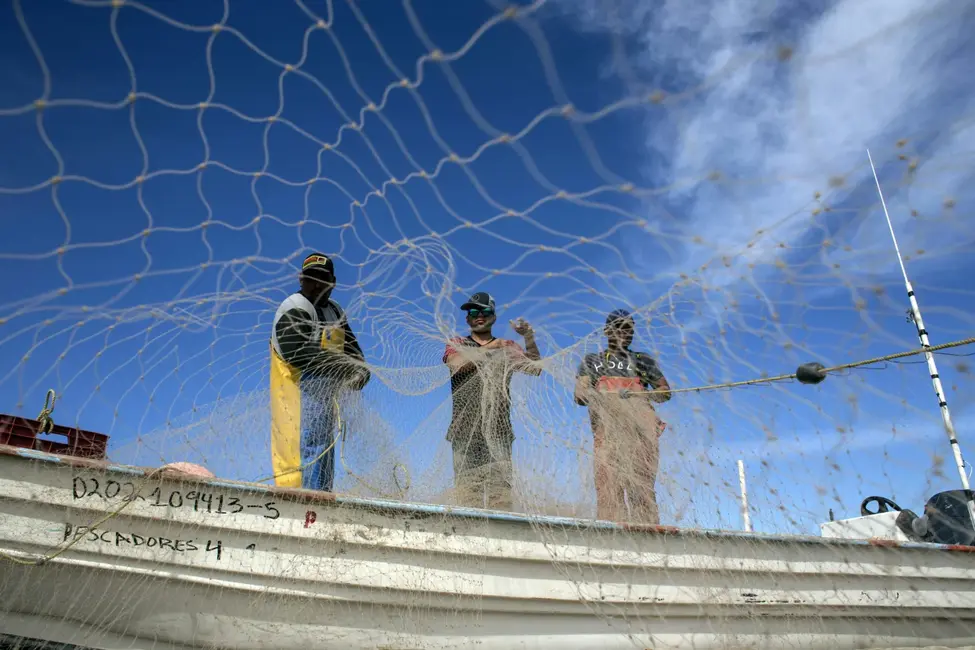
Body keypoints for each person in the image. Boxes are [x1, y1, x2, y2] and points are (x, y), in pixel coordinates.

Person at [269, 252, 370, 492]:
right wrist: (346, 368)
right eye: (310, 278)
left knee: (324, 448)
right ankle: (306, 502)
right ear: (301, 279)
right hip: (296, 398)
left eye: (322, 279)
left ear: (332, 282)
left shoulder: (335, 312)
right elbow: (298, 351)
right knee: (302, 451)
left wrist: (361, 373)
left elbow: (354, 350)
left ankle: (320, 498)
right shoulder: (294, 306)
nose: (315, 284)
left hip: (326, 398)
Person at [442, 292, 541, 511]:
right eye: (474, 312)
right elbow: (456, 364)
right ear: (467, 319)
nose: (479, 316)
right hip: (464, 431)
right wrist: (489, 349)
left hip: (499, 432)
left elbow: (535, 369)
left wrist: (529, 339)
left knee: (501, 499)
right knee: (468, 499)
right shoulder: (458, 342)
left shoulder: (508, 346)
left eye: (485, 311)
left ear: (493, 316)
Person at [574, 309, 672, 524]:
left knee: (641, 487)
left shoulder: (642, 360)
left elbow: (665, 392)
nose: (623, 333)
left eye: (628, 329)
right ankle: (611, 537)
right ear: (607, 331)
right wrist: (596, 393)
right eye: (618, 328)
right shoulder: (593, 360)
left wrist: (642, 393)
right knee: (609, 487)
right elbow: (579, 395)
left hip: (640, 435)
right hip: (608, 435)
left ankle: (647, 536)